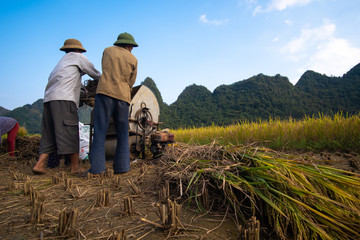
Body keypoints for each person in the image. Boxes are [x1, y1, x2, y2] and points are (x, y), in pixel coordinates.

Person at [32, 39, 101, 174]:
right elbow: (96, 74)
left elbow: (70, 83)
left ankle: (39, 165)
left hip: (49, 100)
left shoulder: (61, 64)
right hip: (64, 100)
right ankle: (74, 167)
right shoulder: (78, 58)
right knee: (71, 131)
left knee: (49, 133)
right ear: (77, 50)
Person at [88, 32, 138, 175]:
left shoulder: (107, 51)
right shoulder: (133, 59)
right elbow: (132, 81)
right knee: (122, 133)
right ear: (129, 45)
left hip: (105, 94)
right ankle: (122, 167)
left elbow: (105, 68)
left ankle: (97, 169)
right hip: (123, 97)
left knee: (100, 131)